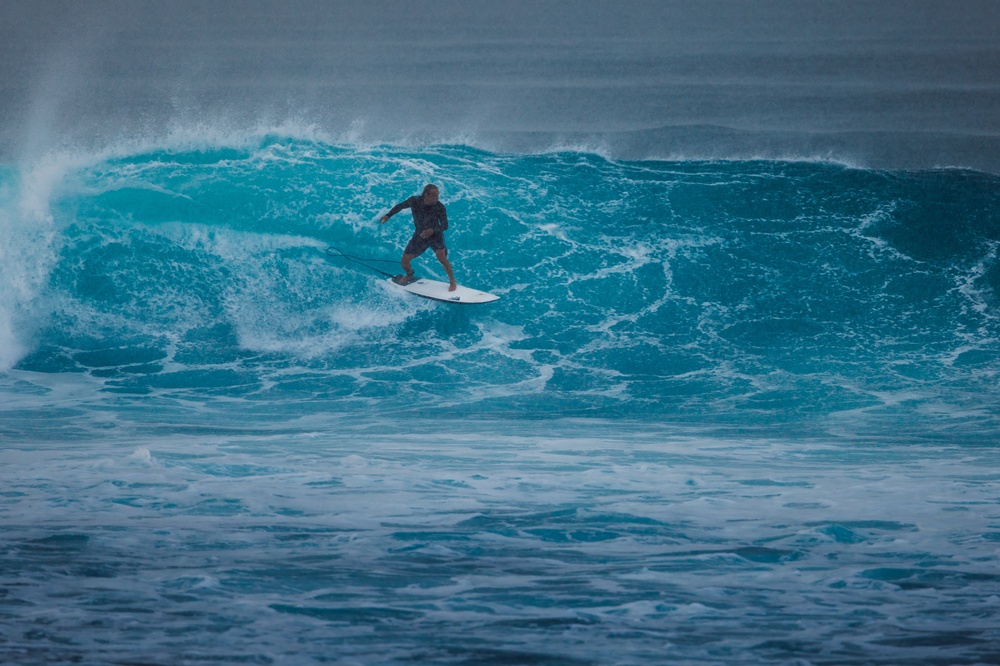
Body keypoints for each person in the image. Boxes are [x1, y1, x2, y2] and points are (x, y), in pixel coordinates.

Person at [379, 184, 458, 291]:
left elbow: (445, 225)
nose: (437, 198)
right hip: (420, 235)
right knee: (404, 261)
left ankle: (452, 281)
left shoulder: (440, 207)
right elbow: (400, 206)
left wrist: (432, 230)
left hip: (436, 235)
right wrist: (388, 215)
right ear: (426, 194)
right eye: (435, 196)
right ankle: (410, 274)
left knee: (442, 257)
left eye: (438, 195)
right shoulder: (414, 201)